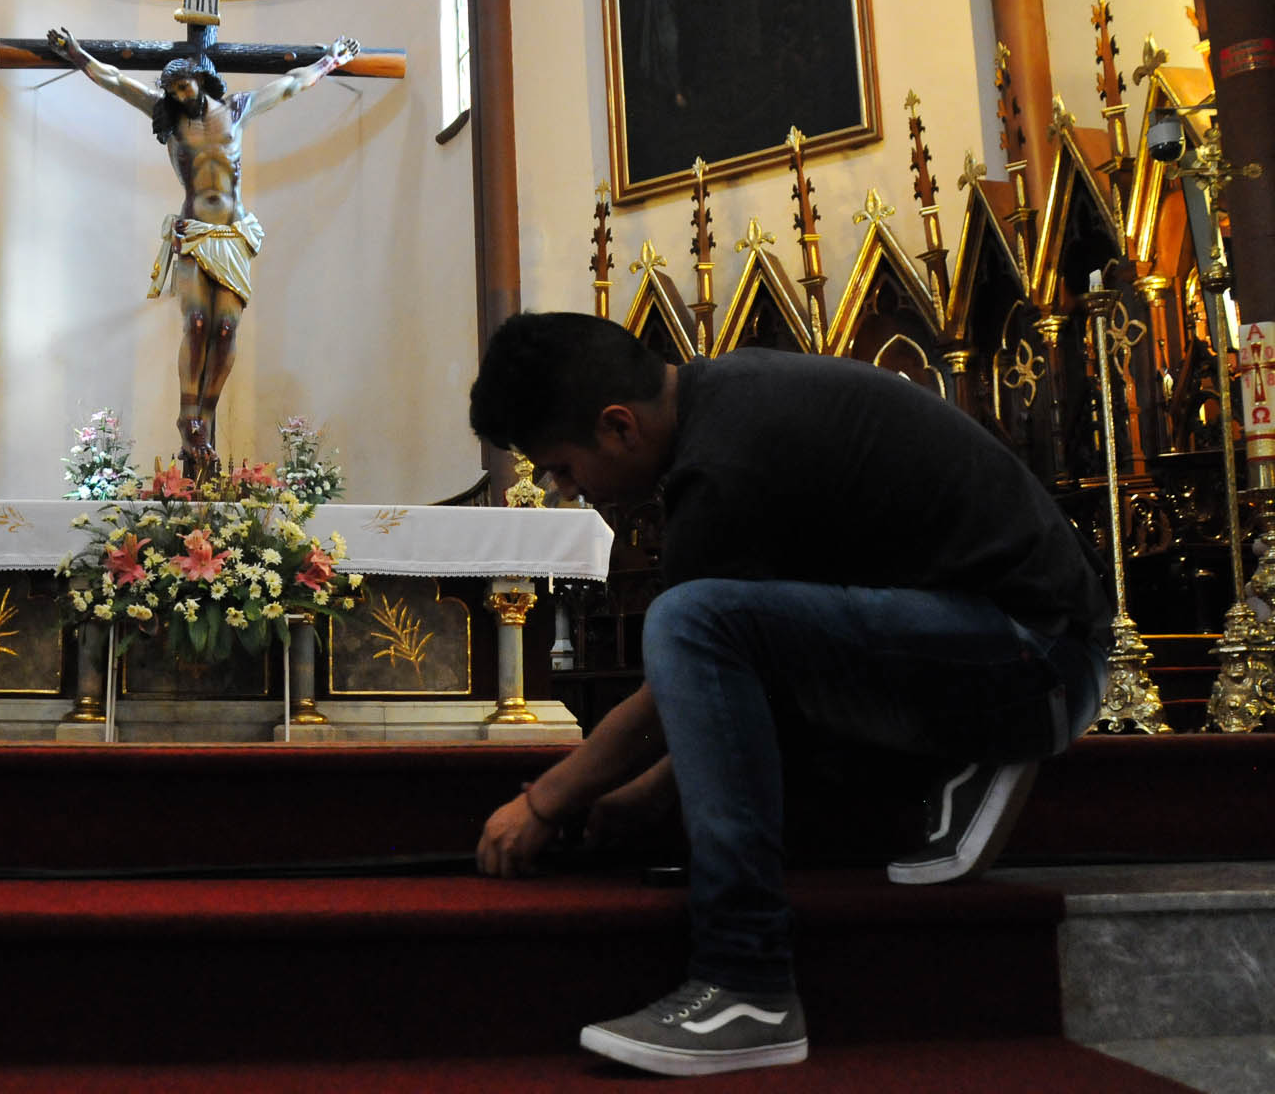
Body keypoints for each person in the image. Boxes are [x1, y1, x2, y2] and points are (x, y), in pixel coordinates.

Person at [468, 312, 1110, 1077]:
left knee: (687, 618)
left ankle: (746, 982)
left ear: (618, 427)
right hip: (1013, 647)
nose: (569, 491)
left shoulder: (726, 464)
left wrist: (545, 801)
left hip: (1030, 660)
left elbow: (688, 669)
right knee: (715, 630)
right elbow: (760, 669)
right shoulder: (733, 403)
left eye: (565, 471)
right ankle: (965, 750)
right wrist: (644, 796)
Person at [46, 28, 360, 473]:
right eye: (172, 89)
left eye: (185, 83)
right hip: (194, 232)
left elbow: (290, 84)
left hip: (234, 236)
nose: (180, 93)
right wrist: (78, 55)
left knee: (226, 331)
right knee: (196, 323)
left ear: (201, 76)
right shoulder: (169, 120)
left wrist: (329, 61)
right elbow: (116, 80)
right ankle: (187, 416)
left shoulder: (237, 109)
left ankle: (206, 413)